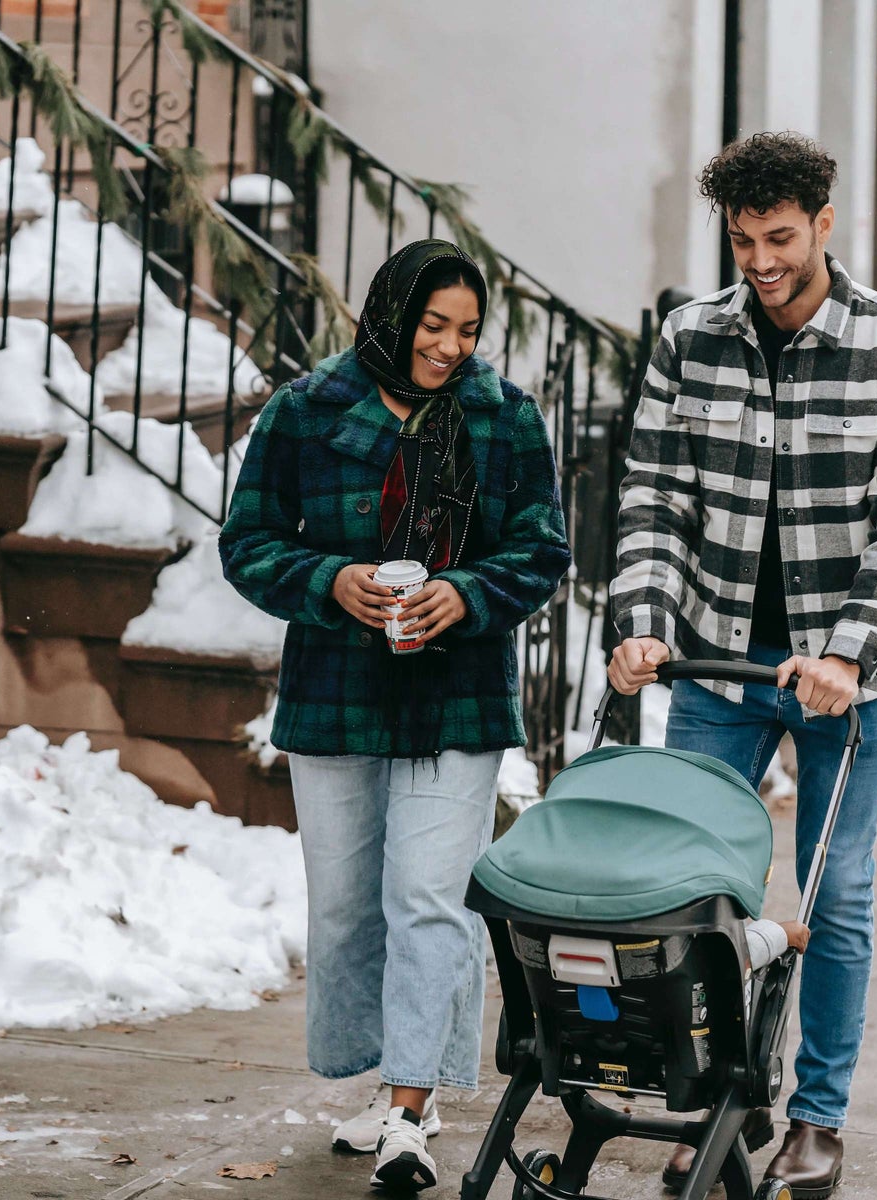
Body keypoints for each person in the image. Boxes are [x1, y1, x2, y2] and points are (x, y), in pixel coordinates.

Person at [607, 132, 877, 1198]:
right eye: (743, 236)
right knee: (701, 895)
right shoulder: (689, 339)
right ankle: (714, 1103)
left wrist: (849, 653)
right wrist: (644, 619)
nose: (760, 258)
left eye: (781, 237)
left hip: (841, 678)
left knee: (833, 893)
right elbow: (654, 493)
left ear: (824, 226)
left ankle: (817, 1116)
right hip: (715, 666)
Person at [221, 239, 571, 1193]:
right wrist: (330, 579)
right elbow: (245, 544)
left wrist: (467, 593)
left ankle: (412, 1106)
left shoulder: (502, 420)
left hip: (455, 695)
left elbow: (542, 550)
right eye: (432, 327)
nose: (450, 349)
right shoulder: (306, 413)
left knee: (428, 898)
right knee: (344, 906)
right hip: (334, 689)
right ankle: (382, 1075)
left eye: (466, 331)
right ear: (388, 315)